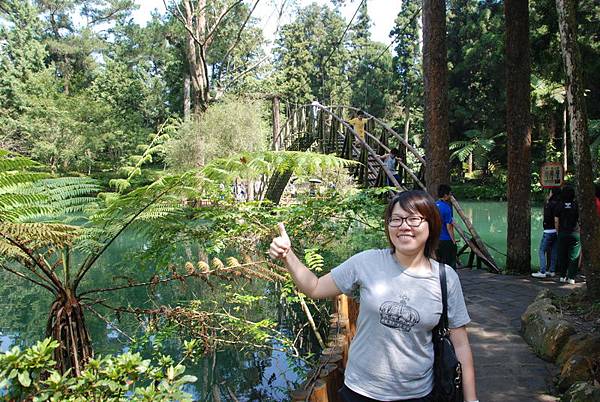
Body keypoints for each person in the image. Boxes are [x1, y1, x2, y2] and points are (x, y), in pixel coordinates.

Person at [269, 190, 478, 402]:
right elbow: (314, 287)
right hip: (360, 391)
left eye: (414, 219)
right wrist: (288, 256)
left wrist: (472, 400)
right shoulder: (366, 262)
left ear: (431, 224)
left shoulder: (445, 278)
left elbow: (460, 345)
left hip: (418, 394)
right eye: (396, 219)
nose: (404, 226)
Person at [532, 187, 561, 278]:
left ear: (552, 194)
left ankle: (542, 271)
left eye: (550, 193)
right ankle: (552, 271)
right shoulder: (560, 204)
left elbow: (548, 218)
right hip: (557, 232)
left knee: (541, 250)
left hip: (548, 231)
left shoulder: (549, 205)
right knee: (553, 251)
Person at [554, 185, 580, 284]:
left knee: (562, 255)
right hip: (575, 233)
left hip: (562, 233)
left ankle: (562, 276)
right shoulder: (576, 205)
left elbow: (556, 221)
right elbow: (580, 219)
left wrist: (558, 232)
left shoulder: (559, 205)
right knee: (574, 256)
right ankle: (571, 278)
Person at [435, 184, 457, 269]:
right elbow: (449, 227)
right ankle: (449, 280)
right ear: (445, 195)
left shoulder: (434, 205)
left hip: (435, 239)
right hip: (445, 240)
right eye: (450, 194)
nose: (450, 196)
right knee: (449, 264)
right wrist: (453, 240)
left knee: (437, 263)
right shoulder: (446, 208)